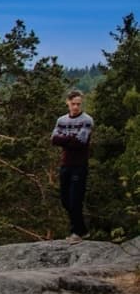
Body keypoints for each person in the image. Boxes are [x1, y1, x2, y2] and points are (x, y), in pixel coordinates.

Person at [50, 89, 93, 244]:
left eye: (78, 104)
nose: (76, 107)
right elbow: (54, 139)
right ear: (67, 103)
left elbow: (81, 142)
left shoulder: (87, 120)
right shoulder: (61, 120)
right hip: (66, 164)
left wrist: (65, 139)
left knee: (76, 199)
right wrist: (70, 139)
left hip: (80, 165)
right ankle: (83, 229)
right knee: (65, 200)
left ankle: (76, 232)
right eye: (73, 104)